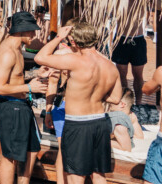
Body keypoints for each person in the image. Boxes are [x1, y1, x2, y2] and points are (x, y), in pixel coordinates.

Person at [35, 20, 122, 184]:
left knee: (76, 176)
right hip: (100, 122)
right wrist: (94, 92)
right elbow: (116, 98)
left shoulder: (74, 61)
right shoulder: (110, 66)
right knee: (98, 175)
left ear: (73, 41)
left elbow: (40, 57)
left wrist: (58, 37)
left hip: (78, 123)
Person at [0, 12, 48, 184]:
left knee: (31, 149)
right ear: (21, 31)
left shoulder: (16, 49)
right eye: (31, 31)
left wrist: (35, 73)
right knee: (11, 156)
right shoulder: (7, 52)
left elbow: (15, 76)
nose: (34, 35)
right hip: (10, 106)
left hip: (20, 105)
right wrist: (30, 87)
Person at [111, 0, 147, 105]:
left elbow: (158, 4)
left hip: (138, 40)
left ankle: (138, 102)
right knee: (122, 75)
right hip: (122, 39)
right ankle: (125, 102)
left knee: (138, 75)